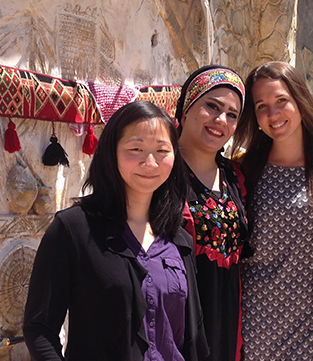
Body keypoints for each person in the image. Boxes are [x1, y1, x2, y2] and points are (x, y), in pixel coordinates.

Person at [23, 101, 208, 360]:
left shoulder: (179, 238)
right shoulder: (74, 230)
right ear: (112, 152)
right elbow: (39, 328)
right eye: (136, 149)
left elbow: (192, 337)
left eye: (162, 150)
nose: (150, 162)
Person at [231, 61, 313, 360]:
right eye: (261, 106)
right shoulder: (243, 166)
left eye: (281, 101)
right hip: (255, 315)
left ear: (300, 100)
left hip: (312, 316)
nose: (273, 114)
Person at [175, 65, 249, 361]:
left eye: (232, 115)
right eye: (212, 106)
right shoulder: (160, 171)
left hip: (227, 322)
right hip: (177, 319)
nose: (221, 120)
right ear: (187, 107)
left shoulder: (236, 177)